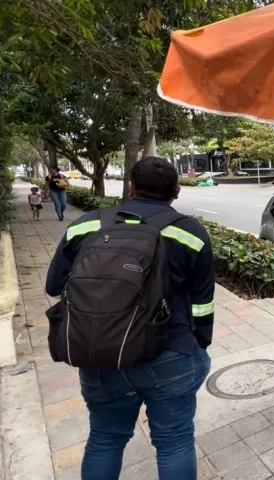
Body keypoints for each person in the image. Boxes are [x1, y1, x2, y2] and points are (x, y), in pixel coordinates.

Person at [45, 157, 215, 480]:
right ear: (176, 192)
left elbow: (54, 286)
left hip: (101, 355)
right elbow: (202, 306)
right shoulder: (191, 233)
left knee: (105, 439)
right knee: (174, 443)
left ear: (132, 187)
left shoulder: (86, 225)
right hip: (169, 354)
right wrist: (198, 345)